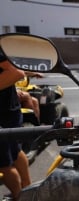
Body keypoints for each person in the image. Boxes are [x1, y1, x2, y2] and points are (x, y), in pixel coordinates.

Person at [0, 52, 31, 200]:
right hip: (9, 109)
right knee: (14, 150)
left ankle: (20, 196)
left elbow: (15, 73)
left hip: (4, 112)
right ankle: (27, 188)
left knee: (3, 163)